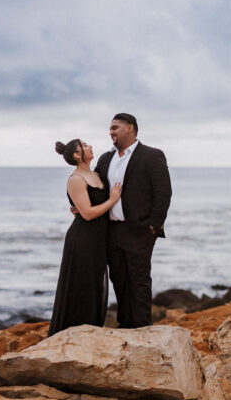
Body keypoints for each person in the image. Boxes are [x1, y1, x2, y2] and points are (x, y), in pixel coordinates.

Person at [94, 113, 172, 328]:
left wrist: (153, 227)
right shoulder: (105, 159)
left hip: (139, 230)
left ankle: (142, 327)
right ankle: (125, 325)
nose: (111, 132)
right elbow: (94, 188)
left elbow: (163, 192)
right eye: (110, 128)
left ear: (131, 128)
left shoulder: (152, 155)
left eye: (115, 127)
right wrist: (78, 203)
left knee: (139, 280)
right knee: (118, 279)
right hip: (111, 230)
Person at [48, 138, 123, 336]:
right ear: (77, 154)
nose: (90, 146)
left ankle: (90, 332)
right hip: (82, 241)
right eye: (85, 145)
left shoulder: (96, 174)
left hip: (98, 241)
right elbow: (88, 213)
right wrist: (112, 200)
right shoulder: (75, 179)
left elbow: (85, 208)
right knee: (82, 287)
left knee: (95, 287)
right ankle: (73, 335)